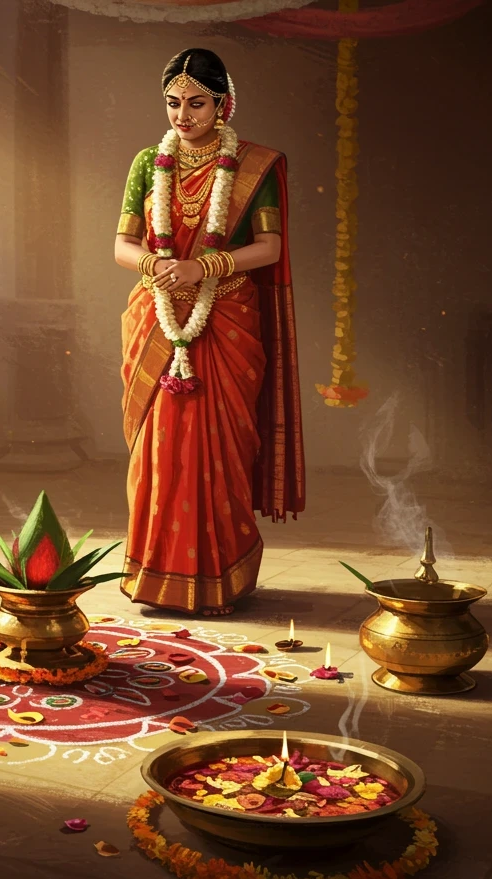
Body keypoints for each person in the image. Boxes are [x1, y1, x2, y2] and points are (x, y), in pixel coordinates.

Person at [114, 48, 305, 617]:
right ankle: (154, 578)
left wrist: (205, 268)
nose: (183, 115)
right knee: (159, 449)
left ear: (224, 104)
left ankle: (222, 576)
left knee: (220, 449)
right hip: (159, 318)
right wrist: (158, 268)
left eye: (197, 103)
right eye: (173, 102)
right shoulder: (148, 162)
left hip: (225, 318)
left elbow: (269, 248)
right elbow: (122, 246)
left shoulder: (253, 166)